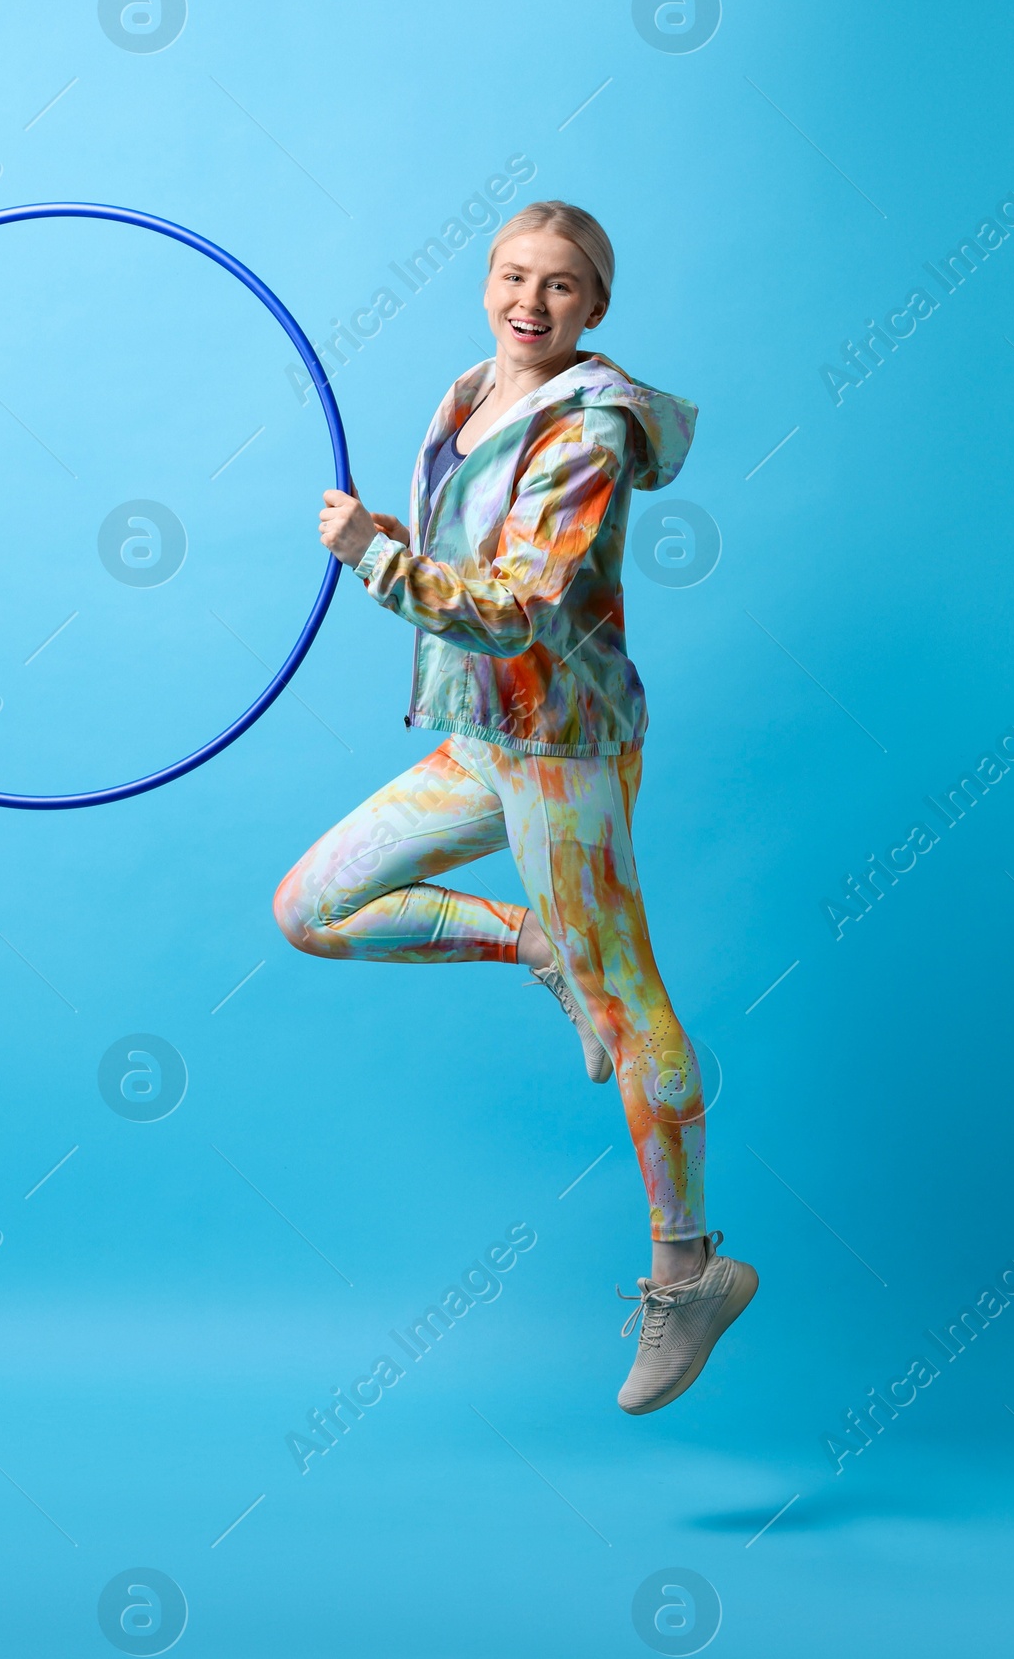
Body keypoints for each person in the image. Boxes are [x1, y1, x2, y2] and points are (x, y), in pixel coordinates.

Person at [272, 201, 755, 1414]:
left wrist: (373, 564)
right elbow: (466, 553)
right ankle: (534, 940)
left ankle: (690, 1273)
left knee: (629, 997)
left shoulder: (590, 425)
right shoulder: (464, 393)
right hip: (480, 737)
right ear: (484, 281)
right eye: (510, 275)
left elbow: (525, 606)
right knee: (313, 906)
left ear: (595, 306)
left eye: (559, 285)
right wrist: (396, 535)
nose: (528, 302)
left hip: (561, 750)